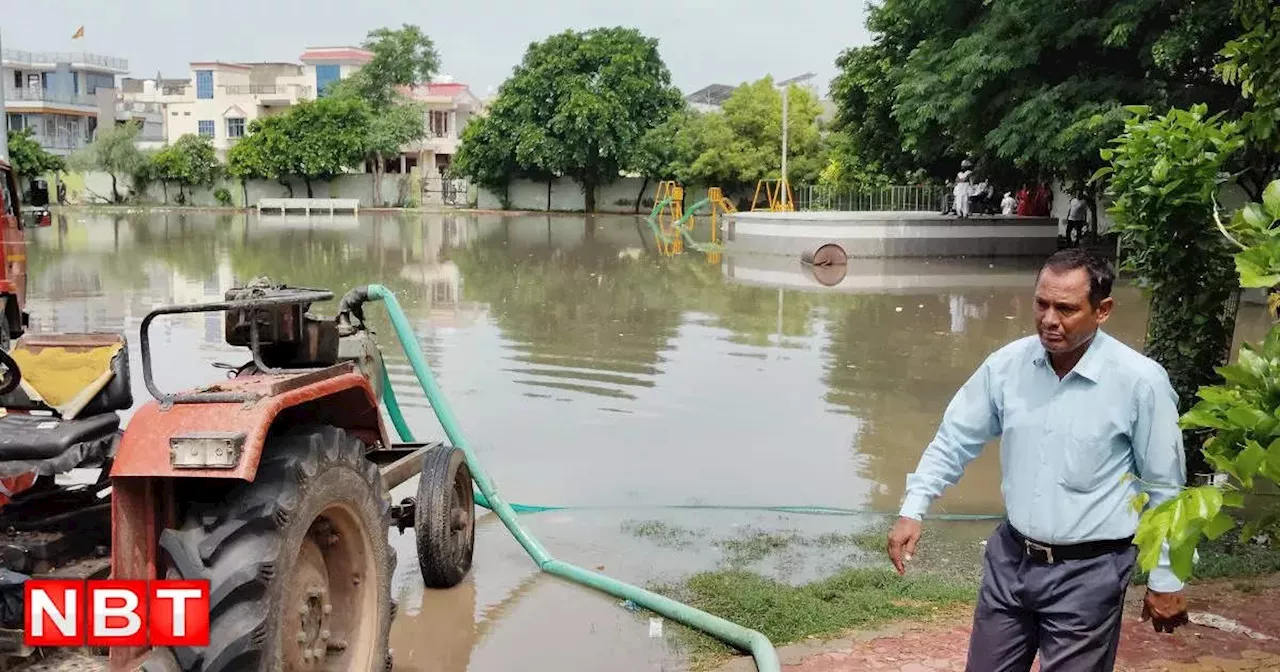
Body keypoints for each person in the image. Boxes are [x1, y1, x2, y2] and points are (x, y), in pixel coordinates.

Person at [886, 247, 1189, 672]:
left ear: (1102, 310)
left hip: (1090, 572)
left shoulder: (1140, 382)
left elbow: (1166, 487)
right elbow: (955, 438)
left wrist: (1167, 576)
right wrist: (913, 508)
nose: (1049, 320)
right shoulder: (1007, 367)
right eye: (1041, 303)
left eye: (1066, 308)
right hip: (1011, 561)